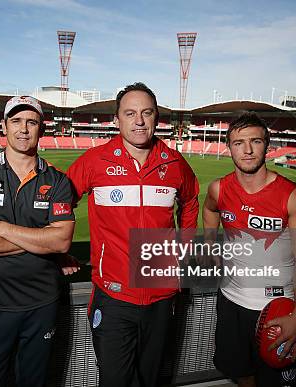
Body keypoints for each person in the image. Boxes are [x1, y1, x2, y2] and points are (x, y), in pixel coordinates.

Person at [67, 82, 200, 387]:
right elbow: (60, 205)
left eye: (146, 113)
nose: (139, 121)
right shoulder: (94, 161)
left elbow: (191, 201)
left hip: (162, 295)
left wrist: (184, 248)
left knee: (150, 379)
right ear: (117, 120)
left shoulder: (174, 162)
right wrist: (59, 250)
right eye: (130, 113)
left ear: (156, 117)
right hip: (113, 297)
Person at [0, 95, 77, 387]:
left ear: (41, 129)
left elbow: (61, 243)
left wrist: (0, 228)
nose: (24, 129)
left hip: (41, 304)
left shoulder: (58, 180)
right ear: (4, 126)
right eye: (17, 121)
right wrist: (41, 241)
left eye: (32, 122)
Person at [202, 111, 296, 387]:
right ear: (229, 147)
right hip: (230, 301)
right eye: (239, 143)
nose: (248, 150)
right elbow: (209, 211)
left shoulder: (293, 197)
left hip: (277, 307)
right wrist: (209, 244)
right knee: (240, 371)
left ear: (267, 145)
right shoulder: (219, 189)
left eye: (255, 141)